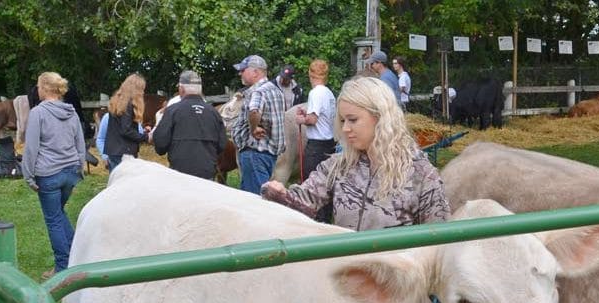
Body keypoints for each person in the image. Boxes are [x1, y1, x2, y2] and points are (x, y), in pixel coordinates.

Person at [261, 76, 451, 230]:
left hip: (393, 267)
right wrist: (280, 195)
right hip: (347, 264)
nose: (345, 129)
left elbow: (439, 237)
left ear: (380, 117)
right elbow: (304, 201)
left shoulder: (421, 173)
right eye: (343, 121)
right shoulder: (339, 166)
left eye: (352, 120)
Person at [21, 72, 85, 276]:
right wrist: (80, 166)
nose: (37, 90)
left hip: (49, 174)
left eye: (38, 86)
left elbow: (31, 147)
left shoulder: (38, 113)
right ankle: (77, 255)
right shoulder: (71, 112)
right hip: (70, 172)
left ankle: (62, 267)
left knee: (54, 219)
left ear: (45, 88)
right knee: (58, 213)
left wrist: (27, 174)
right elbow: (80, 142)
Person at [151, 70, 227, 180]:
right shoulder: (214, 113)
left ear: (181, 89)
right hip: (207, 172)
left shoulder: (172, 110)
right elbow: (222, 144)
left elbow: (161, 143)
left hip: (180, 173)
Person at [231, 54, 285, 194]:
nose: (240, 73)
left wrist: (253, 128)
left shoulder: (258, 92)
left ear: (255, 72)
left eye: (243, 70)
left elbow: (254, 110)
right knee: (256, 196)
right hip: (268, 155)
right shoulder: (276, 90)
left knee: (254, 199)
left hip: (254, 154)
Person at [105, 73, 149, 172]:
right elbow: (126, 130)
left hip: (113, 149)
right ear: (135, 89)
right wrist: (145, 137)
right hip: (124, 151)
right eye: (141, 89)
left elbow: (120, 127)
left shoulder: (116, 102)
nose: (143, 92)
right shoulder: (128, 105)